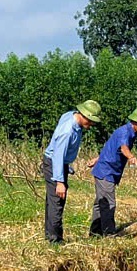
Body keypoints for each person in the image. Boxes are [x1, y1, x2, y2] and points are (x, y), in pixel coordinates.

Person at [42, 100, 102, 243]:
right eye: (91, 121)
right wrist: (59, 181)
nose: (92, 125)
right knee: (57, 201)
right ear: (83, 115)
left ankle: (50, 234)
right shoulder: (67, 131)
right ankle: (55, 240)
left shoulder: (70, 115)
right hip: (54, 164)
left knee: (53, 201)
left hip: (60, 163)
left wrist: (66, 165)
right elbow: (57, 154)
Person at [87, 108, 137, 237]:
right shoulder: (125, 132)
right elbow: (123, 148)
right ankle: (109, 234)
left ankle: (95, 233)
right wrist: (131, 157)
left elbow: (110, 146)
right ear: (135, 121)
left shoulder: (127, 131)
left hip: (105, 170)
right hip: (106, 172)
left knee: (100, 203)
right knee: (108, 203)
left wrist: (97, 159)